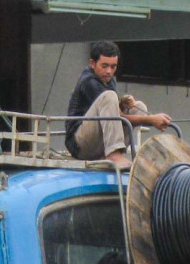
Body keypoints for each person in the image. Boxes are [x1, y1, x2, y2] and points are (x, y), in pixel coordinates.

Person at [65, 40, 172, 168]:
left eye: (113, 66)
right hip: (80, 144)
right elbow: (117, 116)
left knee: (139, 107)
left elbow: (113, 112)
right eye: (104, 66)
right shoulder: (89, 81)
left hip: (98, 140)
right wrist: (151, 119)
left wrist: (122, 102)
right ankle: (113, 154)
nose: (109, 71)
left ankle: (117, 152)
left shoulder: (108, 79)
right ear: (92, 64)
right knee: (109, 96)